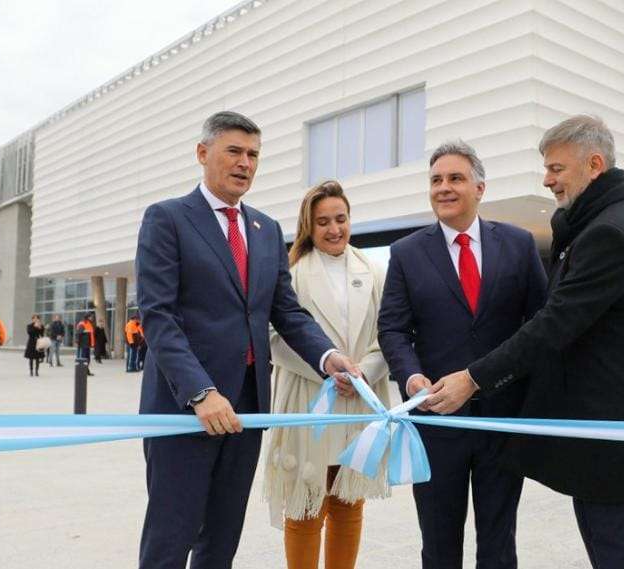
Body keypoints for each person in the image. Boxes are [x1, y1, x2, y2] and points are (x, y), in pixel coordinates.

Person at [431, 116, 624, 569]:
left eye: (557, 169)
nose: (547, 180)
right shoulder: (600, 222)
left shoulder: (610, 233)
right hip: (602, 429)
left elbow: (553, 324)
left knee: (614, 544)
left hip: (611, 430)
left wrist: (473, 378)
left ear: (594, 164)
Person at [135, 110, 361, 569]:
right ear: (203, 154)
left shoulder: (264, 229)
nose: (245, 163)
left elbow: (287, 312)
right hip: (186, 410)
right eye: (234, 151)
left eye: (253, 154)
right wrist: (201, 392)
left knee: (222, 538)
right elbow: (159, 317)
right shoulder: (168, 219)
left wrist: (329, 356)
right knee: (171, 536)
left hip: (246, 408)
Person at [378, 140, 548, 569]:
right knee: (438, 545)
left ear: (480, 187)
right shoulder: (406, 253)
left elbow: (541, 324)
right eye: (436, 180)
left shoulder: (519, 245)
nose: (443, 188)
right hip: (435, 423)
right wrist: (411, 378)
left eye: (455, 178)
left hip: (503, 420)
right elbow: (393, 329)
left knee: (498, 543)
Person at [263, 181, 390, 569]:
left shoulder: (373, 270)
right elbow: (274, 335)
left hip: (360, 399)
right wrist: (326, 369)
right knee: (305, 506)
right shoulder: (293, 273)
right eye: (323, 222)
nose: (334, 229)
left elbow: (390, 332)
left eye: (341, 218)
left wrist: (362, 374)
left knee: (348, 504)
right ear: (308, 226)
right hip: (308, 396)